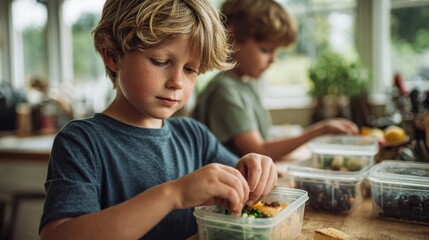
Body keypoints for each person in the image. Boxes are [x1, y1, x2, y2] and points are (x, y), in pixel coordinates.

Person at [39, 1, 277, 240]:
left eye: (190, 69)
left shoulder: (194, 136)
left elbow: (244, 185)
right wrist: (173, 195)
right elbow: (58, 235)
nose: (177, 82)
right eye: (161, 61)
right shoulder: (81, 143)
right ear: (111, 54)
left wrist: (253, 167)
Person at [192, 0, 359, 161]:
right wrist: (321, 130)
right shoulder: (225, 90)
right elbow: (258, 150)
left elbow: (262, 141)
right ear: (232, 37)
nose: (272, 60)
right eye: (265, 50)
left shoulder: (246, 83)